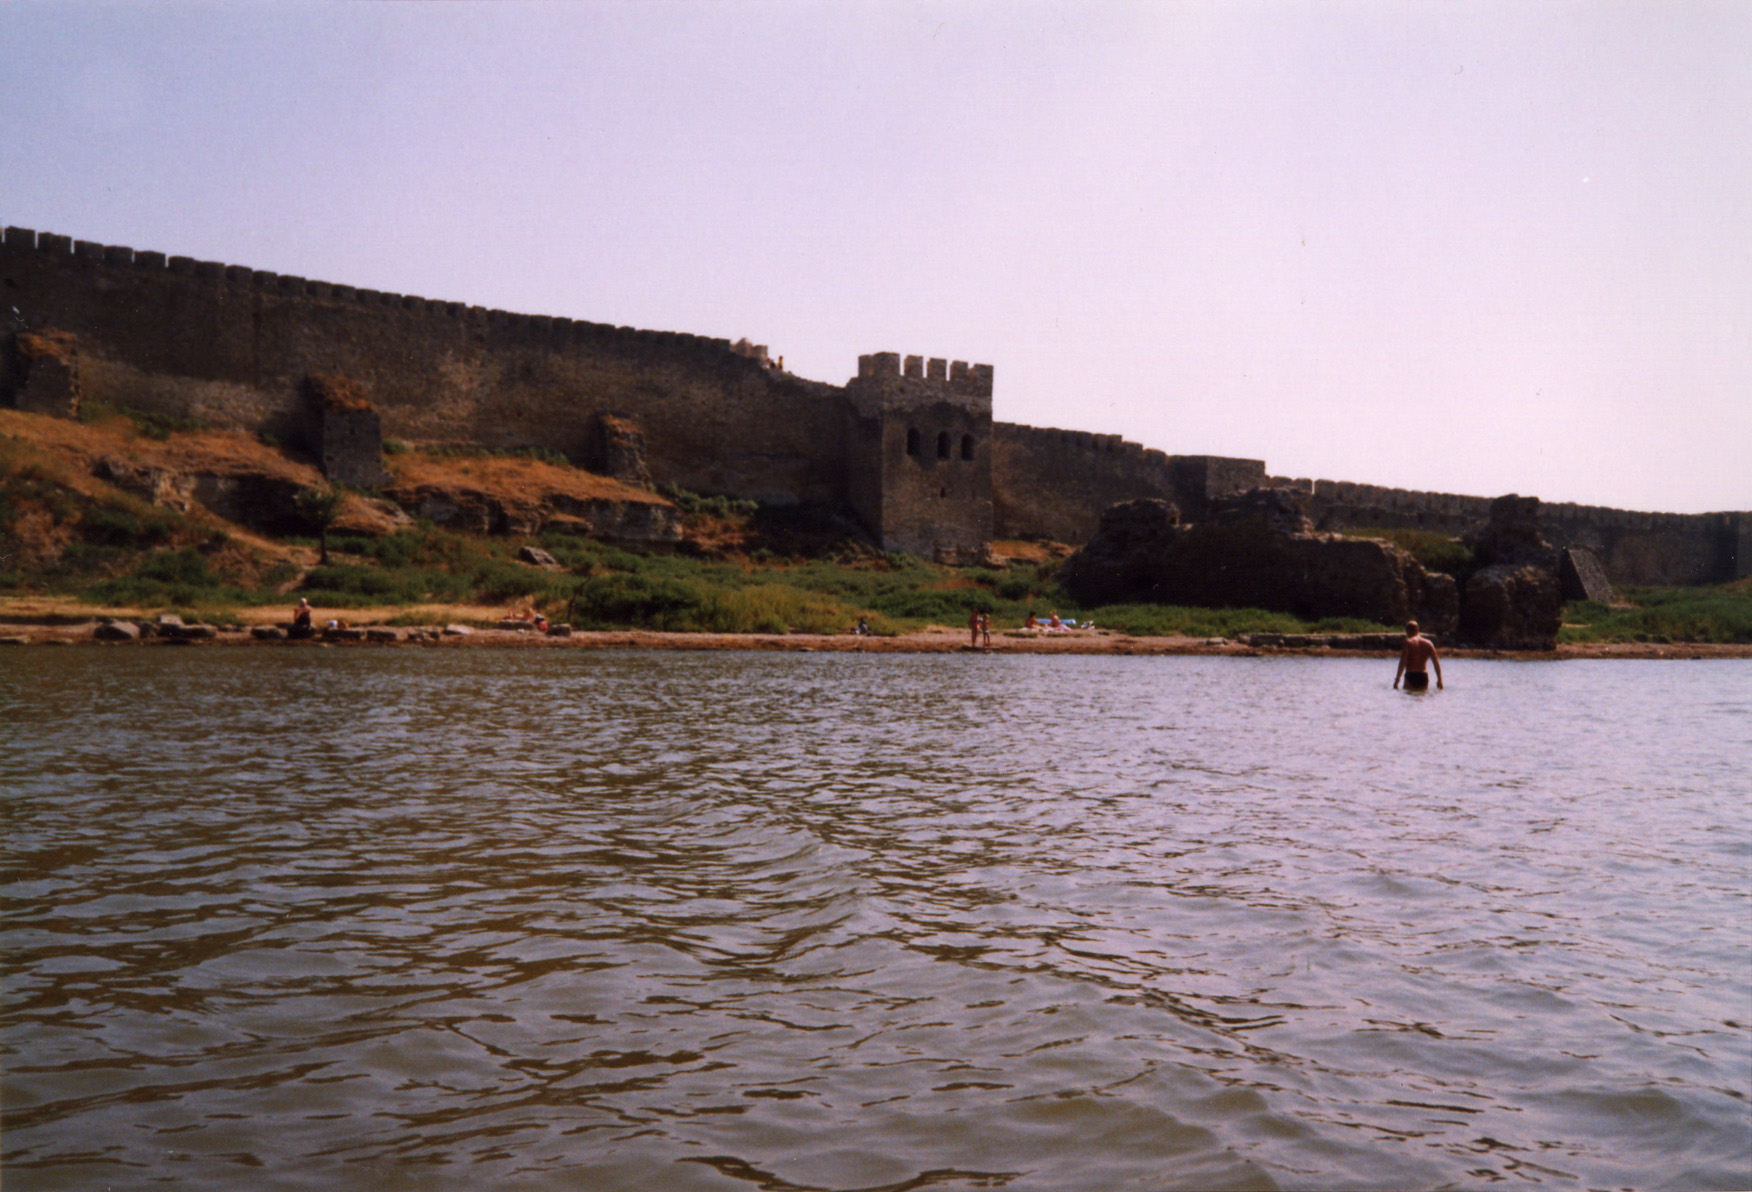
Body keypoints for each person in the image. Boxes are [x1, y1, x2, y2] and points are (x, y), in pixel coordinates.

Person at [1394, 620, 1444, 691]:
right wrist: (1439, 680)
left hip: (1411, 675)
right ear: (1418, 630)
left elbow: (1403, 662)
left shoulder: (1407, 642)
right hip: (1423, 676)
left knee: (1408, 699)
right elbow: (1436, 663)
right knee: (1421, 699)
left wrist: (1397, 680)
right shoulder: (1429, 643)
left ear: (1408, 631)